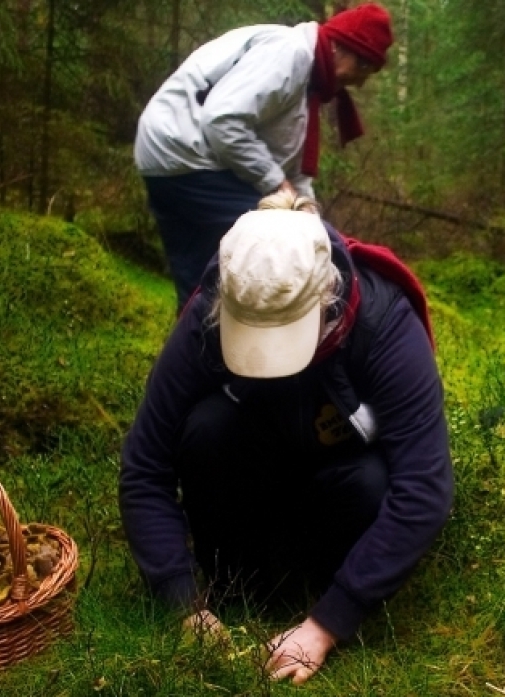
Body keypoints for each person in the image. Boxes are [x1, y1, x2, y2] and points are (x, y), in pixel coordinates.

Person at [118, 194, 453, 684]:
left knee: (372, 479)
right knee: (206, 427)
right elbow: (145, 466)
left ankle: (319, 583)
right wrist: (183, 601)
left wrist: (327, 623)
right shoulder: (208, 312)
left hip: (339, 491)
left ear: (328, 294)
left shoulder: (383, 323)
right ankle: (237, 582)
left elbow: (424, 489)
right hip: (251, 481)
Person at [134, 4, 393, 310]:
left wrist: (314, 222)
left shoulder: (306, 81)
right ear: (340, 47)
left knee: (199, 288)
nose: (360, 82)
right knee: (277, 245)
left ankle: (193, 353)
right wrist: (276, 183)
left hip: (171, 157)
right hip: (186, 155)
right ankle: (274, 345)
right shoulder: (290, 53)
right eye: (363, 68)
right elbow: (222, 121)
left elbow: (293, 169)